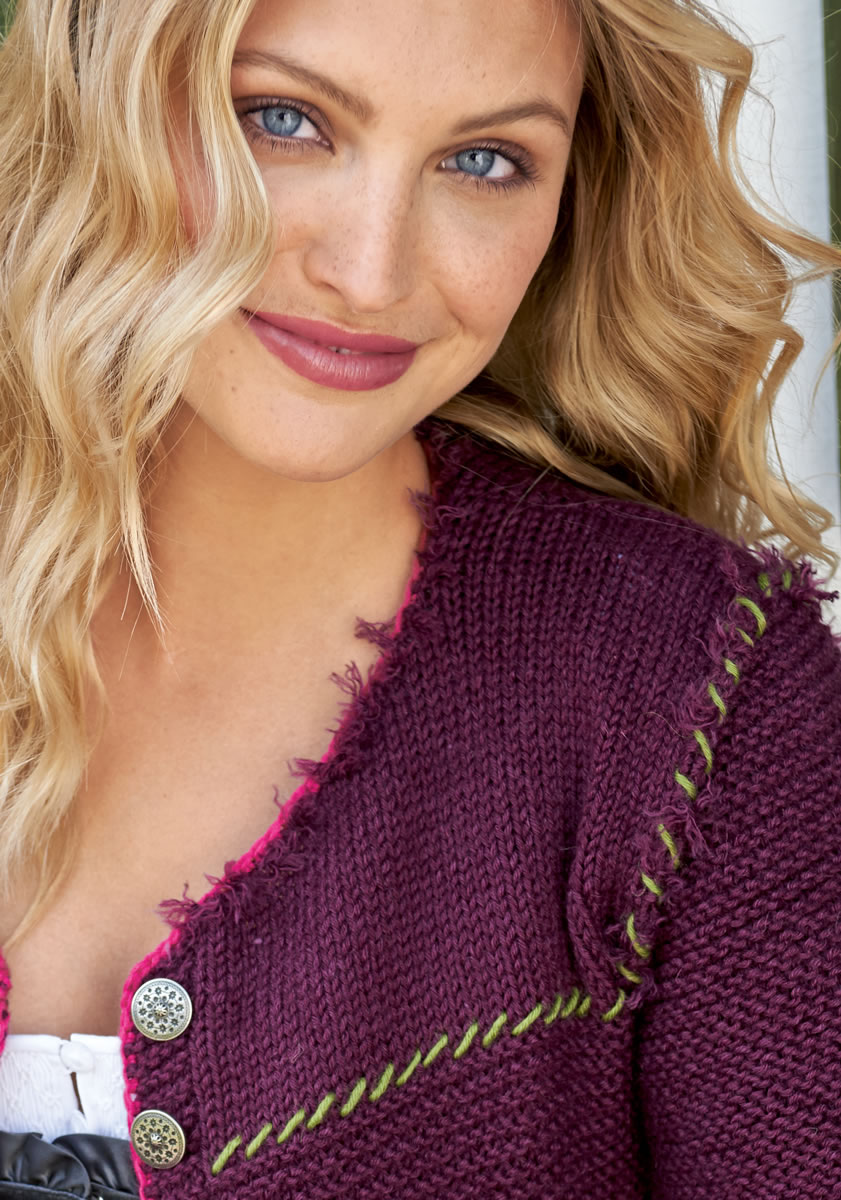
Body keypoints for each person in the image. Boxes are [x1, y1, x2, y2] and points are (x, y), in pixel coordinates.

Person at [0, 0, 839, 1195]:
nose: (369, 272)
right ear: (100, 100)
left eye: (484, 161)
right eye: (283, 119)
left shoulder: (700, 701)